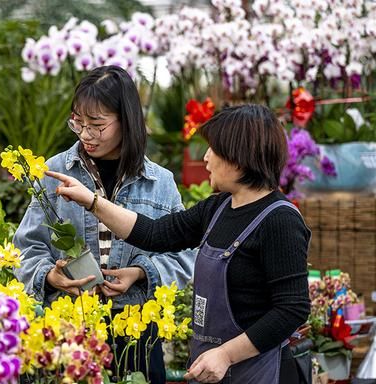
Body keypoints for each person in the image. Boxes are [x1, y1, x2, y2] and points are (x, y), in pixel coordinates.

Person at [48, 104, 311, 384]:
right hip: (214, 370)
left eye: (214, 149)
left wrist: (226, 354)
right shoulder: (219, 207)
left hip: (260, 373)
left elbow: (292, 309)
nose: (206, 159)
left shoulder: (280, 220)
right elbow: (155, 233)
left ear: (239, 156)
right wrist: (91, 201)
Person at [13, 65, 196, 384]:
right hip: (71, 329)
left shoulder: (160, 183)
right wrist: (50, 276)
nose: (85, 134)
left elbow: (184, 254)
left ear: (127, 121)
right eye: (78, 123)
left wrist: (141, 272)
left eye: (97, 124)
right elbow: (26, 249)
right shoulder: (54, 171)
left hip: (136, 329)